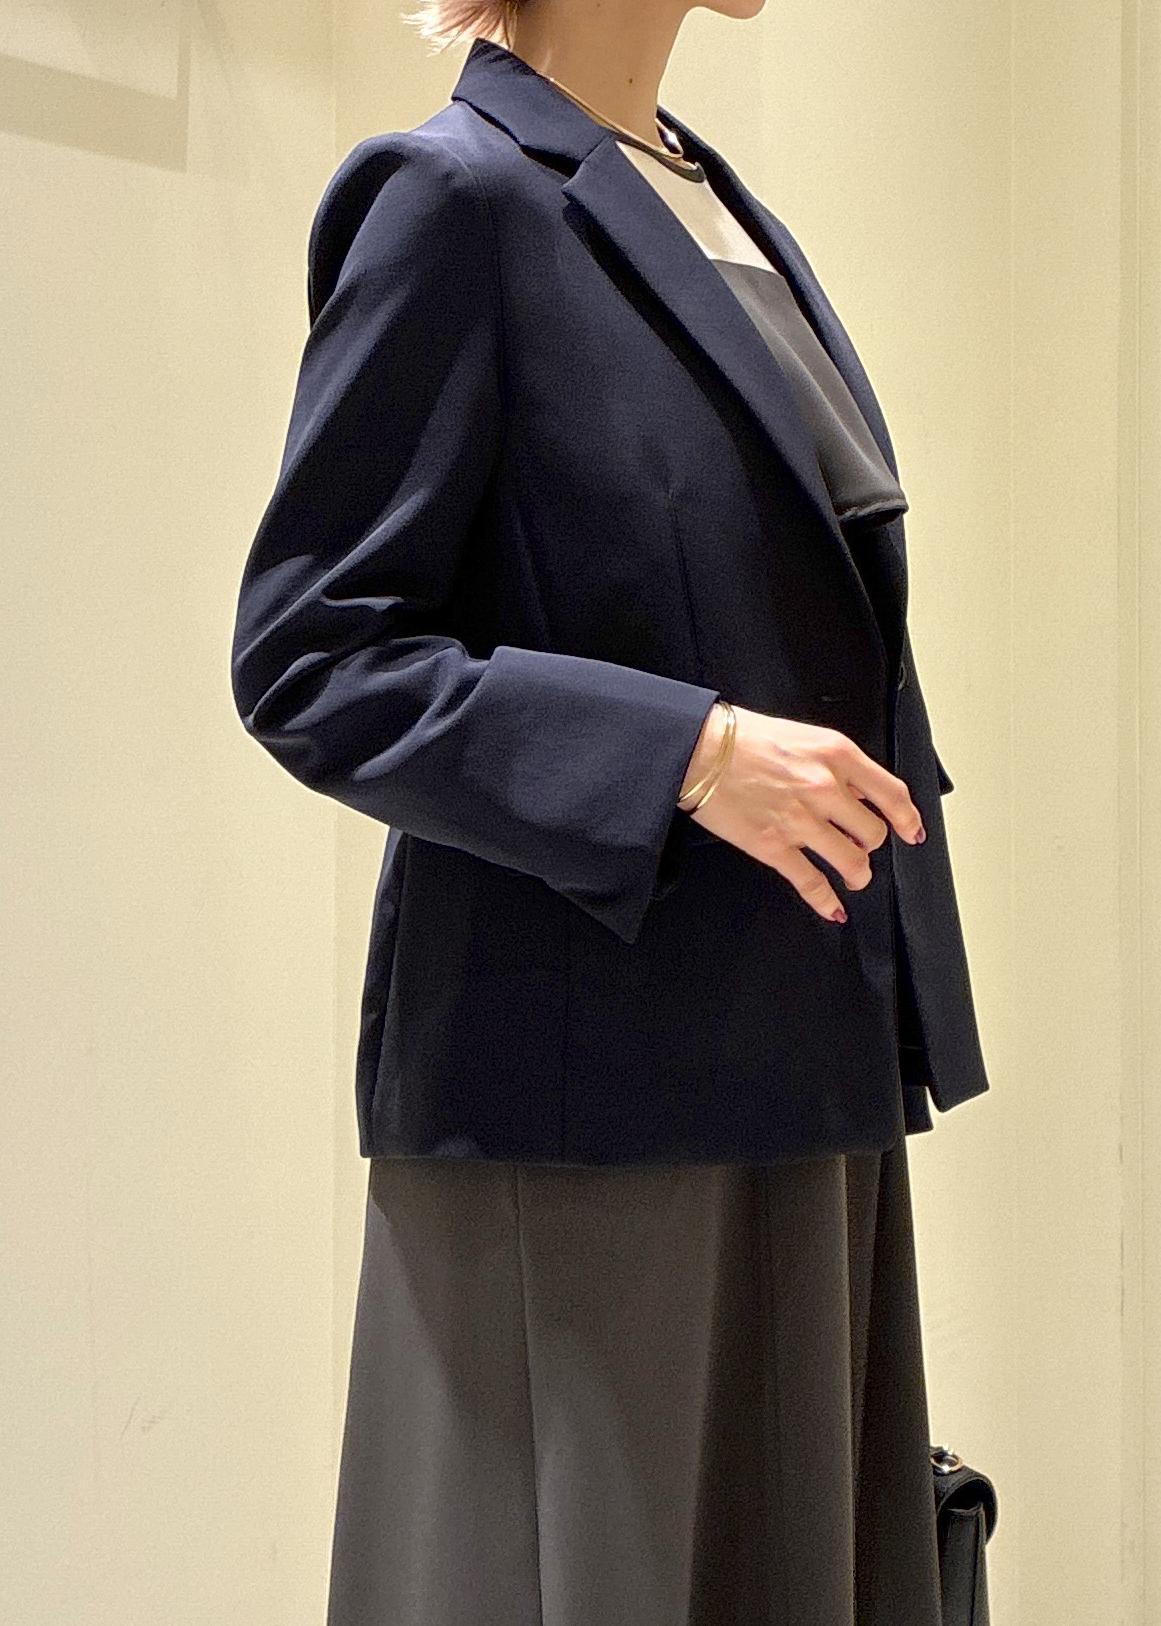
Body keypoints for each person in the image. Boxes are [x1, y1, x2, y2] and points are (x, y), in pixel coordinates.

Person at [229, 3, 992, 1621]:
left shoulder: (712, 203)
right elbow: (315, 656)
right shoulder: (453, 197)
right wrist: (685, 754)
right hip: (589, 1107)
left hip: (809, 1058)